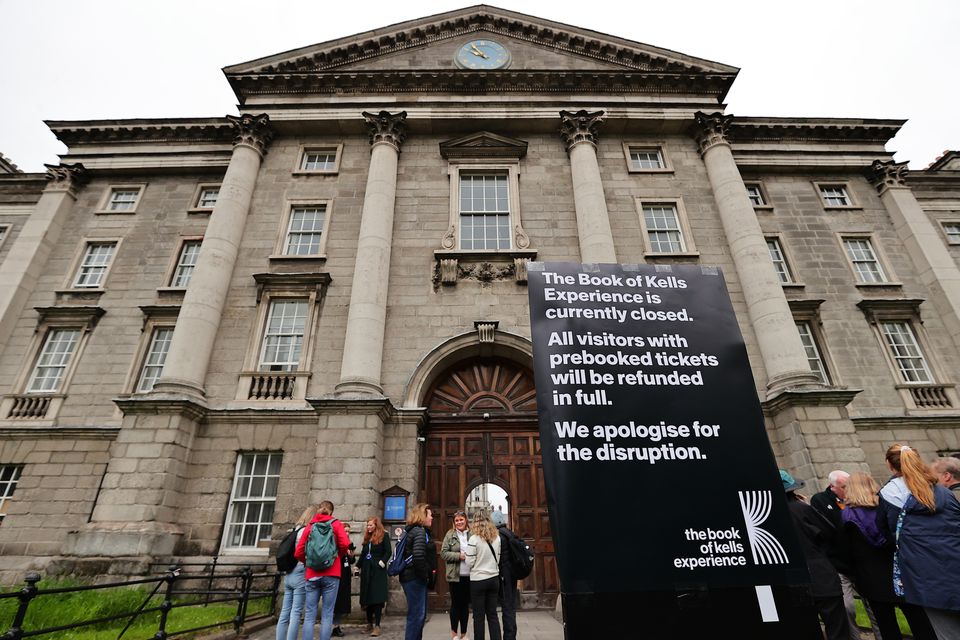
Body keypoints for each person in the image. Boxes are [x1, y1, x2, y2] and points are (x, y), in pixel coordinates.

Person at [877, 444, 960, 639]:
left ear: (889, 465)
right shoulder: (944, 492)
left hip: (925, 575)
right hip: (954, 564)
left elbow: (885, 532)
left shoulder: (889, 496)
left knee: (947, 634)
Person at [840, 472, 936, 640]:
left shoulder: (848, 516)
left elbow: (848, 551)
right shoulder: (887, 506)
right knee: (919, 621)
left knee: (887, 627)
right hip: (899, 572)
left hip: (871, 578)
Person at [780, 469, 848, 640]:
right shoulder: (802, 509)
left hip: (791, 580)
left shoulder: (763, 515)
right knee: (837, 629)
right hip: (820, 575)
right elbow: (829, 533)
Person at [811, 470, 874, 640]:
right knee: (847, 607)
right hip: (838, 563)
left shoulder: (857, 498)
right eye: (844, 486)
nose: (848, 489)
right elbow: (830, 529)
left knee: (872, 605)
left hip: (860, 563)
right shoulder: (821, 500)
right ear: (833, 487)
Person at [295, 500, 351, 640]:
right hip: (332, 573)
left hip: (312, 574)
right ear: (331, 512)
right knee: (327, 614)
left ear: (319, 510)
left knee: (309, 614)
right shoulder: (336, 524)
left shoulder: (310, 525)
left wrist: (308, 563)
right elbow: (345, 544)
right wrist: (337, 556)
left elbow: (298, 552)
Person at [278, 505, 319, 640]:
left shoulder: (295, 529)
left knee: (285, 612)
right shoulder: (307, 531)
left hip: (289, 571)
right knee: (296, 613)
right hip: (300, 570)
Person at [400, 503, 437, 640]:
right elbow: (418, 556)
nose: (432, 517)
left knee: (417, 616)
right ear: (422, 516)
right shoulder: (419, 531)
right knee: (416, 616)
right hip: (414, 579)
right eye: (430, 515)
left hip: (412, 578)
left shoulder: (414, 531)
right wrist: (425, 576)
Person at [465, 514, 501, 640]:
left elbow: (469, 562)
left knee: (478, 616)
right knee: (492, 614)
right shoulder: (497, 538)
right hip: (494, 579)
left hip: (478, 580)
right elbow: (499, 558)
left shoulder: (473, 539)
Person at [441, 510, 472, 640]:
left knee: (465, 605)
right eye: (457, 520)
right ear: (454, 523)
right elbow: (444, 553)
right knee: (455, 605)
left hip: (470, 575)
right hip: (455, 575)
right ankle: (454, 633)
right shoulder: (450, 534)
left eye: (461, 520)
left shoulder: (472, 534)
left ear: (466, 520)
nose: (459, 522)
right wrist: (459, 556)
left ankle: (464, 634)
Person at [358, 517, 391, 637]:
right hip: (367, 570)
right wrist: (358, 566)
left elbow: (388, 551)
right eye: (367, 525)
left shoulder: (384, 536)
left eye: (371, 525)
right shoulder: (367, 538)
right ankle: (369, 624)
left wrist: (382, 562)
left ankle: (377, 625)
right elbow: (363, 554)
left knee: (377, 599)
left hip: (378, 571)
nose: (369, 527)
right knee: (367, 598)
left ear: (376, 525)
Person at [489, 510, 518, 640]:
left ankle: (509, 636)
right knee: (511, 607)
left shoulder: (499, 537)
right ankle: (511, 635)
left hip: (503, 576)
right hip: (511, 575)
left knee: (507, 608)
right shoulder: (510, 533)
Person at [332, 523, 356, 637]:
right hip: (337, 575)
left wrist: (351, 554)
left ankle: (336, 626)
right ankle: (331, 626)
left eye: (348, 531)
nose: (347, 533)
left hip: (346, 576)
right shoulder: (337, 542)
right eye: (345, 531)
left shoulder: (349, 544)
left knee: (341, 603)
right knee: (335, 602)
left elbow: (351, 561)